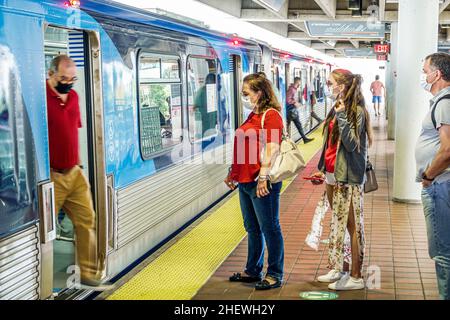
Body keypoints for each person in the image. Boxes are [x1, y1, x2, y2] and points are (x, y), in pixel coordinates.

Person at [46, 55, 110, 290]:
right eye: (63, 78)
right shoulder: (41, 97)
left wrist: (80, 166)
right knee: (44, 230)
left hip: (74, 172)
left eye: (72, 79)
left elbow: (74, 132)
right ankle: (38, 282)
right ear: (51, 74)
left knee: (87, 221)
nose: (68, 83)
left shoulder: (73, 96)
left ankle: (87, 273)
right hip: (52, 175)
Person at [224, 73, 285, 290]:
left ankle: (275, 273)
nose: (243, 96)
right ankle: (253, 270)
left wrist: (264, 177)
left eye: (246, 92)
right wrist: (233, 173)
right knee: (252, 227)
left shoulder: (271, 116)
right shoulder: (252, 115)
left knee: (270, 227)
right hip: (245, 182)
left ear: (259, 92)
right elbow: (242, 145)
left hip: (262, 181)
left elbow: (273, 147)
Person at [317, 68, 372, 291]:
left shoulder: (356, 111)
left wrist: (341, 116)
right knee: (338, 223)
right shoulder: (336, 107)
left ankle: (356, 276)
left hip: (348, 176)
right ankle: (339, 267)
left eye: (331, 84)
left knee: (352, 226)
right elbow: (329, 143)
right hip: (333, 174)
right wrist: (321, 168)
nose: (328, 87)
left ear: (343, 86)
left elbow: (350, 145)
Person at [415, 52, 450, 300]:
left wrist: (428, 175)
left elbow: (448, 150)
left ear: (436, 74)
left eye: (425, 70)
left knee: (442, 252)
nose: (423, 75)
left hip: (440, 185)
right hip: (442, 184)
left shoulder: (445, 103)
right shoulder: (441, 101)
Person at [286, 77, 314, 143]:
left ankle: (304, 139)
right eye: (300, 82)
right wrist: (295, 102)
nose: (300, 84)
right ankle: (304, 139)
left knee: (291, 125)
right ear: (297, 82)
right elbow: (288, 99)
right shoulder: (292, 89)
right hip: (291, 110)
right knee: (297, 124)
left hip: (291, 110)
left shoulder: (293, 89)